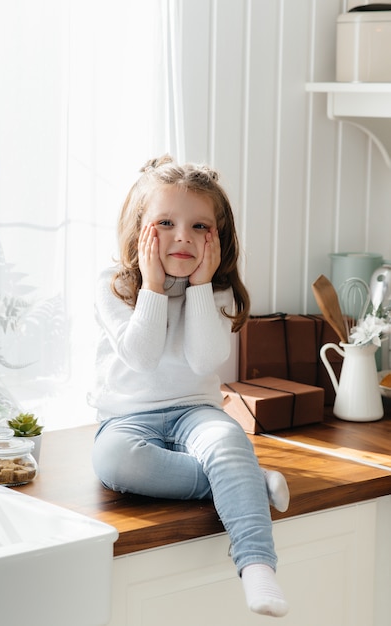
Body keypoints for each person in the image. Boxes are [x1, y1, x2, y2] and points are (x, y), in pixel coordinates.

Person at [88, 155, 290, 618]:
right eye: (165, 222)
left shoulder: (217, 292)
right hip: (127, 417)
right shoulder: (114, 285)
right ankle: (248, 484)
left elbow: (204, 359)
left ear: (218, 237)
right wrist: (154, 286)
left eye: (200, 226)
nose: (183, 236)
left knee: (227, 438)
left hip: (194, 410)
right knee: (115, 461)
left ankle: (257, 563)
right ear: (140, 230)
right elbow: (141, 355)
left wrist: (199, 286)